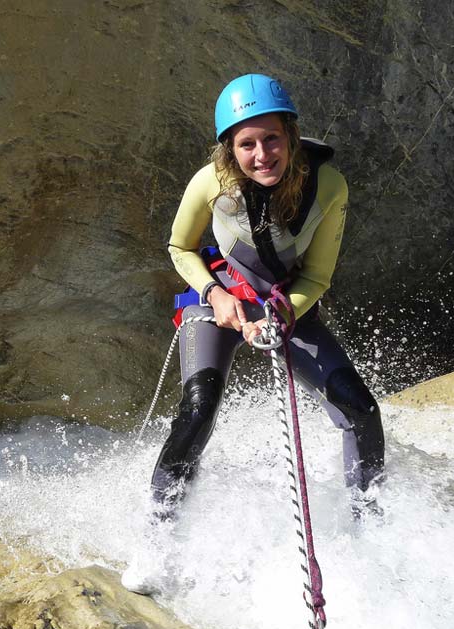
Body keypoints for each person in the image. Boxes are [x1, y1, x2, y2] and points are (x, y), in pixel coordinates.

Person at [122, 73, 385, 593]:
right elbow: (180, 248)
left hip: (287, 301)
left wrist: (286, 314)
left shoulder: (328, 187)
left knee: (361, 409)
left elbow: (317, 277)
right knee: (198, 411)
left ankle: (372, 533)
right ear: (230, 149)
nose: (262, 154)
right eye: (247, 143)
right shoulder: (210, 184)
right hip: (219, 298)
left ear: (291, 135)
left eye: (272, 139)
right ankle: (156, 542)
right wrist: (216, 296)